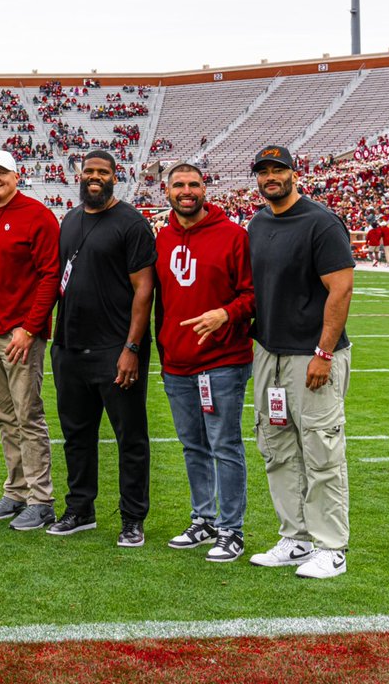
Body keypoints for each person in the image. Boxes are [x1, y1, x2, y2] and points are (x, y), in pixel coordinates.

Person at [247, 146, 355, 579]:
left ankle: (332, 546)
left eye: (278, 170)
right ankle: (295, 538)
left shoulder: (321, 222)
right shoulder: (258, 221)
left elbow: (341, 289)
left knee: (321, 450)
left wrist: (323, 353)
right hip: (269, 353)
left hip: (310, 357)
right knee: (277, 449)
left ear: (295, 173)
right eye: (264, 171)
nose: (270, 177)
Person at [48, 149, 156, 547]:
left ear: (115, 176)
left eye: (102, 172)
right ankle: (80, 509)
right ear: (80, 174)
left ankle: (132, 518)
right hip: (71, 347)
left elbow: (144, 288)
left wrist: (132, 347)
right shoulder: (71, 219)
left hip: (115, 348)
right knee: (76, 435)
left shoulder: (131, 222)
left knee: (130, 437)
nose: (95, 177)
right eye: (89, 171)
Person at [154, 163, 254, 563]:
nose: (186, 190)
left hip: (223, 360)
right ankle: (203, 519)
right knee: (192, 446)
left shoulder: (233, 236)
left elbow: (252, 295)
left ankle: (232, 529)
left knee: (224, 445)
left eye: (194, 183)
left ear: (205, 188)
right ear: (167, 191)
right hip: (176, 362)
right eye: (179, 184)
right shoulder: (161, 238)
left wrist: (225, 314)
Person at [0, 150, 61, 531]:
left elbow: (50, 276)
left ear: (16, 176)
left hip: (20, 334)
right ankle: (16, 490)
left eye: (1, 172)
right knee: (4, 416)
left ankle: (41, 498)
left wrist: (30, 328)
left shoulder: (37, 215)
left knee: (28, 415)